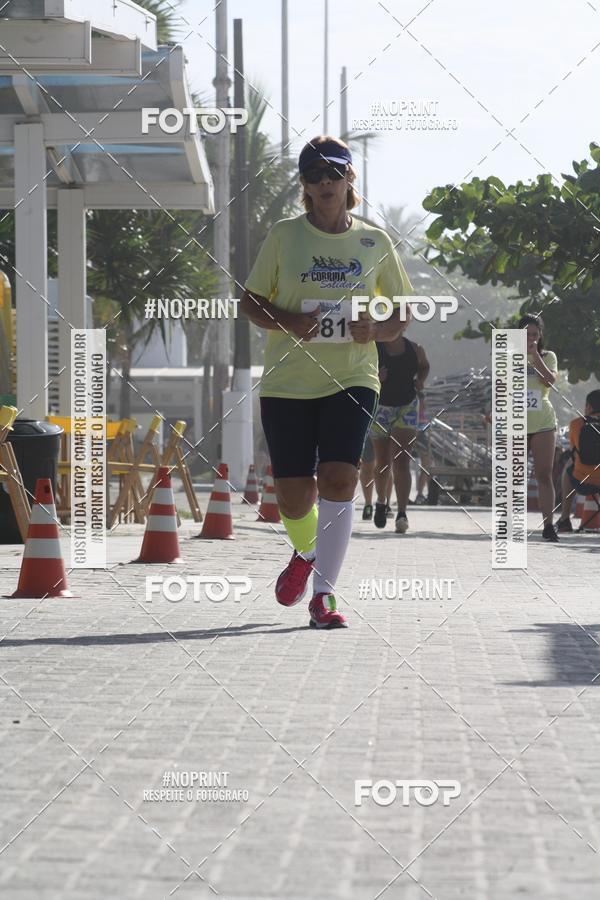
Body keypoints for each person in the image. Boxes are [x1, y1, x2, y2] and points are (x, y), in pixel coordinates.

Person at [240, 135, 412, 629]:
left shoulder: (374, 242)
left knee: (338, 478)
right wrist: (289, 321)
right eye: (314, 176)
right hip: (288, 383)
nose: (324, 183)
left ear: (348, 180)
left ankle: (324, 597)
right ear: (305, 186)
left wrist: (375, 330)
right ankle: (308, 552)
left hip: (353, 377)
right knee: (293, 496)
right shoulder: (284, 236)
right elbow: (250, 302)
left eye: (333, 174)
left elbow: (402, 312)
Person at [370, 307, 430, 531]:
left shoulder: (415, 349)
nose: (399, 324)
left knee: (402, 461)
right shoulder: (373, 348)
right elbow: (360, 372)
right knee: (383, 463)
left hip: (407, 407)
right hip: (381, 408)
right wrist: (376, 377)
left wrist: (420, 380)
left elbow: (424, 366)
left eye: (404, 321)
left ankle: (402, 514)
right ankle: (381, 502)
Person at [522, 314, 559, 541]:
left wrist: (535, 356)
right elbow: (499, 388)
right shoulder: (507, 357)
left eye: (535, 335)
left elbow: (549, 381)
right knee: (514, 476)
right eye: (526, 334)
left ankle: (548, 526)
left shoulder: (548, 356)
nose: (531, 338)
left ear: (540, 336)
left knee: (543, 474)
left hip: (543, 423)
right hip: (515, 421)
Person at [556, 389, 600, 532]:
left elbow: (574, 449)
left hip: (581, 480)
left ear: (589, 407)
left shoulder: (576, 424)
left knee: (570, 464)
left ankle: (564, 519)